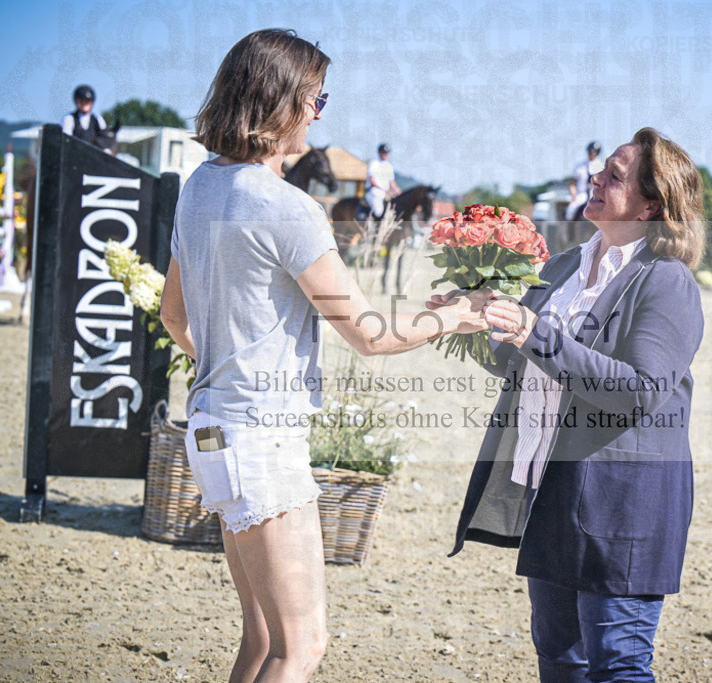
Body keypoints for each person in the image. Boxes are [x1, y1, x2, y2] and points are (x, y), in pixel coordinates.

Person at [159, 29, 488, 682]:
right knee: (301, 645)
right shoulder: (289, 208)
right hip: (261, 438)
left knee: (260, 638)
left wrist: (226, 370)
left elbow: (174, 316)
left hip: (210, 428)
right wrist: (457, 312)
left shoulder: (198, 186)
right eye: (316, 97)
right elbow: (369, 333)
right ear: (280, 99)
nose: (319, 112)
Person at [445, 128, 705, 681]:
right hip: (553, 490)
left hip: (624, 502)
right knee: (559, 659)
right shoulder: (561, 267)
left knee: (618, 666)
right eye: (600, 170)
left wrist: (533, 332)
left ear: (651, 205)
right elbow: (515, 360)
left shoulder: (666, 281)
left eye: (614, 175)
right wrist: (471, 320)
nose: (595, 178)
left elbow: (639, 389)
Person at [564, 141, 604, 222]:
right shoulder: (580, 166)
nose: (590, 153)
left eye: (593, 152)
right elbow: (573, 183)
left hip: (595, 194)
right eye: (589, 151)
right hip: (581, 194)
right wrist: (573, 195)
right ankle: (569, 231)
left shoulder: (601, 166)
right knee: (570, 211)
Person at [365, 143, 400, 220]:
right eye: (384, 152)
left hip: (387, 193)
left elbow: (392, 182)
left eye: (387, 153)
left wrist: (398, 191)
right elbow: (372, 181)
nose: (386, 154)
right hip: (375, 192)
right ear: (380, 153)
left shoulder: (389, 166)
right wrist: (385, 190)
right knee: (378, 211)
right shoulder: (374, 163)